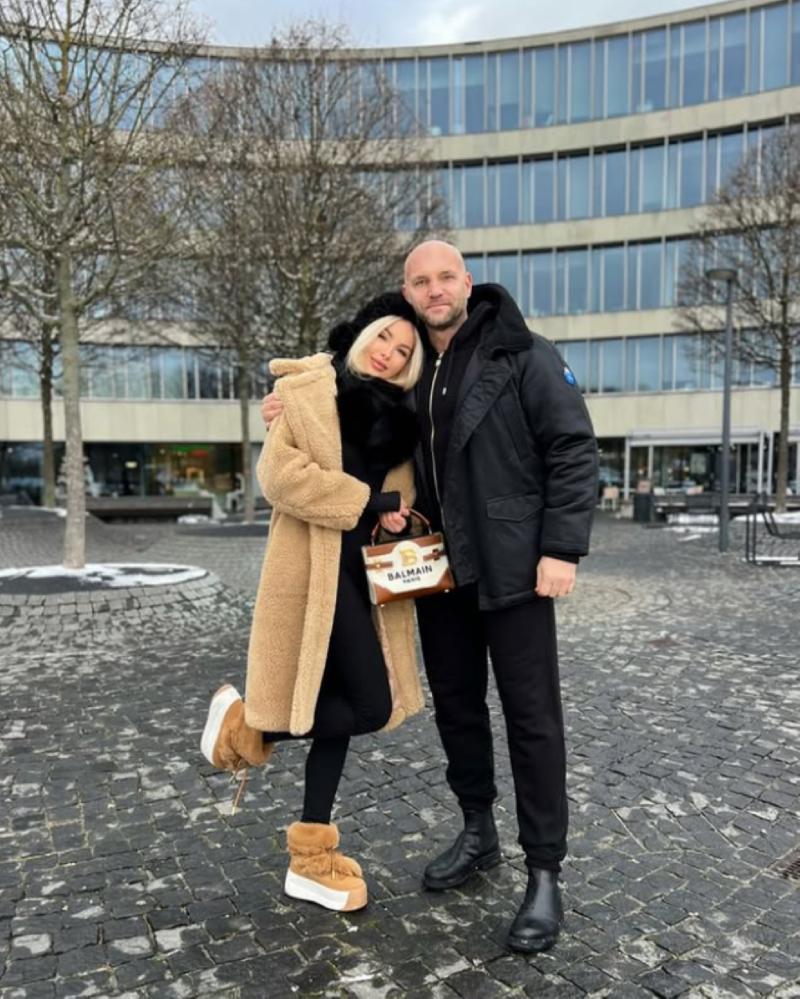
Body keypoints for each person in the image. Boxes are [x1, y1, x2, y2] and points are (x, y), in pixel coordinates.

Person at [262, 240, 598, 953]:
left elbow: (572, 446)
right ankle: (478, 831)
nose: (435, 289)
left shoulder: (523, 353)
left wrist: (561, 547)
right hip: (438, 571)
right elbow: (347, 401)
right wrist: (288, 404)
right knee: (457, 708)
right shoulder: (411, 368)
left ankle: (544, 870)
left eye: (446, 277)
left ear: (467, 282)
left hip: (515, 568)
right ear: (407, 291)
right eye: (421, 280)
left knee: (533, 719)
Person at [201, 299, 425, 913]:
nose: (390, 353)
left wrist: (393, 514)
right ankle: (251, 732)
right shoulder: (309, 387)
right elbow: (280, 478)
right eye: (385, 337)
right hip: (311, 574)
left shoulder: (403, 421)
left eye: (405, 351)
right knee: (369, 703)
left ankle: (306, 853)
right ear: (364, 334)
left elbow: (397, 497)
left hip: (362, 577)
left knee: (356, 710)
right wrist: (369, 500)